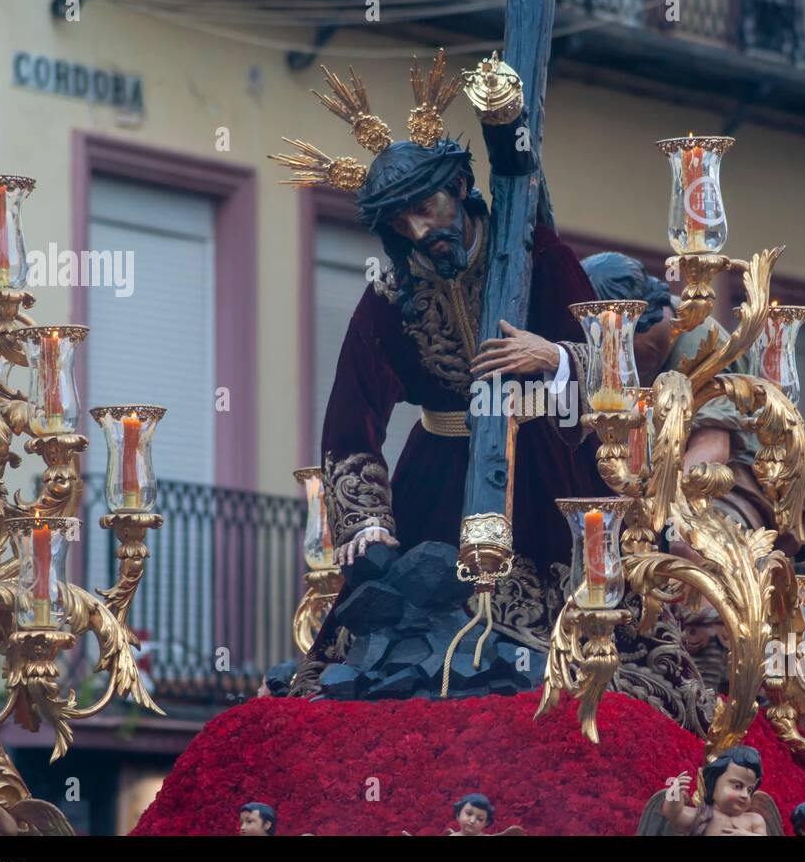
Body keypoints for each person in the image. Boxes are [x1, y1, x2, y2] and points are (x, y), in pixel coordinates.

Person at [274, 54, 712, 736]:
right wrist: (369, 527)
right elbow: (350, 426)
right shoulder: (388, 299)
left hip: (546, 470)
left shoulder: (536, 256)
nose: (422, 232)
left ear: (457, 188)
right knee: (365, 675)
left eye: (426, 209)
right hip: (437, 477)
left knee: (592, 646)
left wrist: (555, 356)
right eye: (402, 224)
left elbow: (617, 370)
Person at [582, 252, 805, 690]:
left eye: (635, 345)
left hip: (728, 486)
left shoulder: (697, 337)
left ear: (655, 315)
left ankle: (718, 656)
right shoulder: (607, 350)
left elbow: (713, 446)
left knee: (689, 543)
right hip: (646, 486)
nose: (634, 363)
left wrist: (658, 506)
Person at [661, 745, 768, 836]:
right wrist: (674, 795)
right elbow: (674, 815)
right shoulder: (702, 816)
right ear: (714, 783)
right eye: (737, 786)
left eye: (749, 790)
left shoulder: (754, 821)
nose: (745, 795)